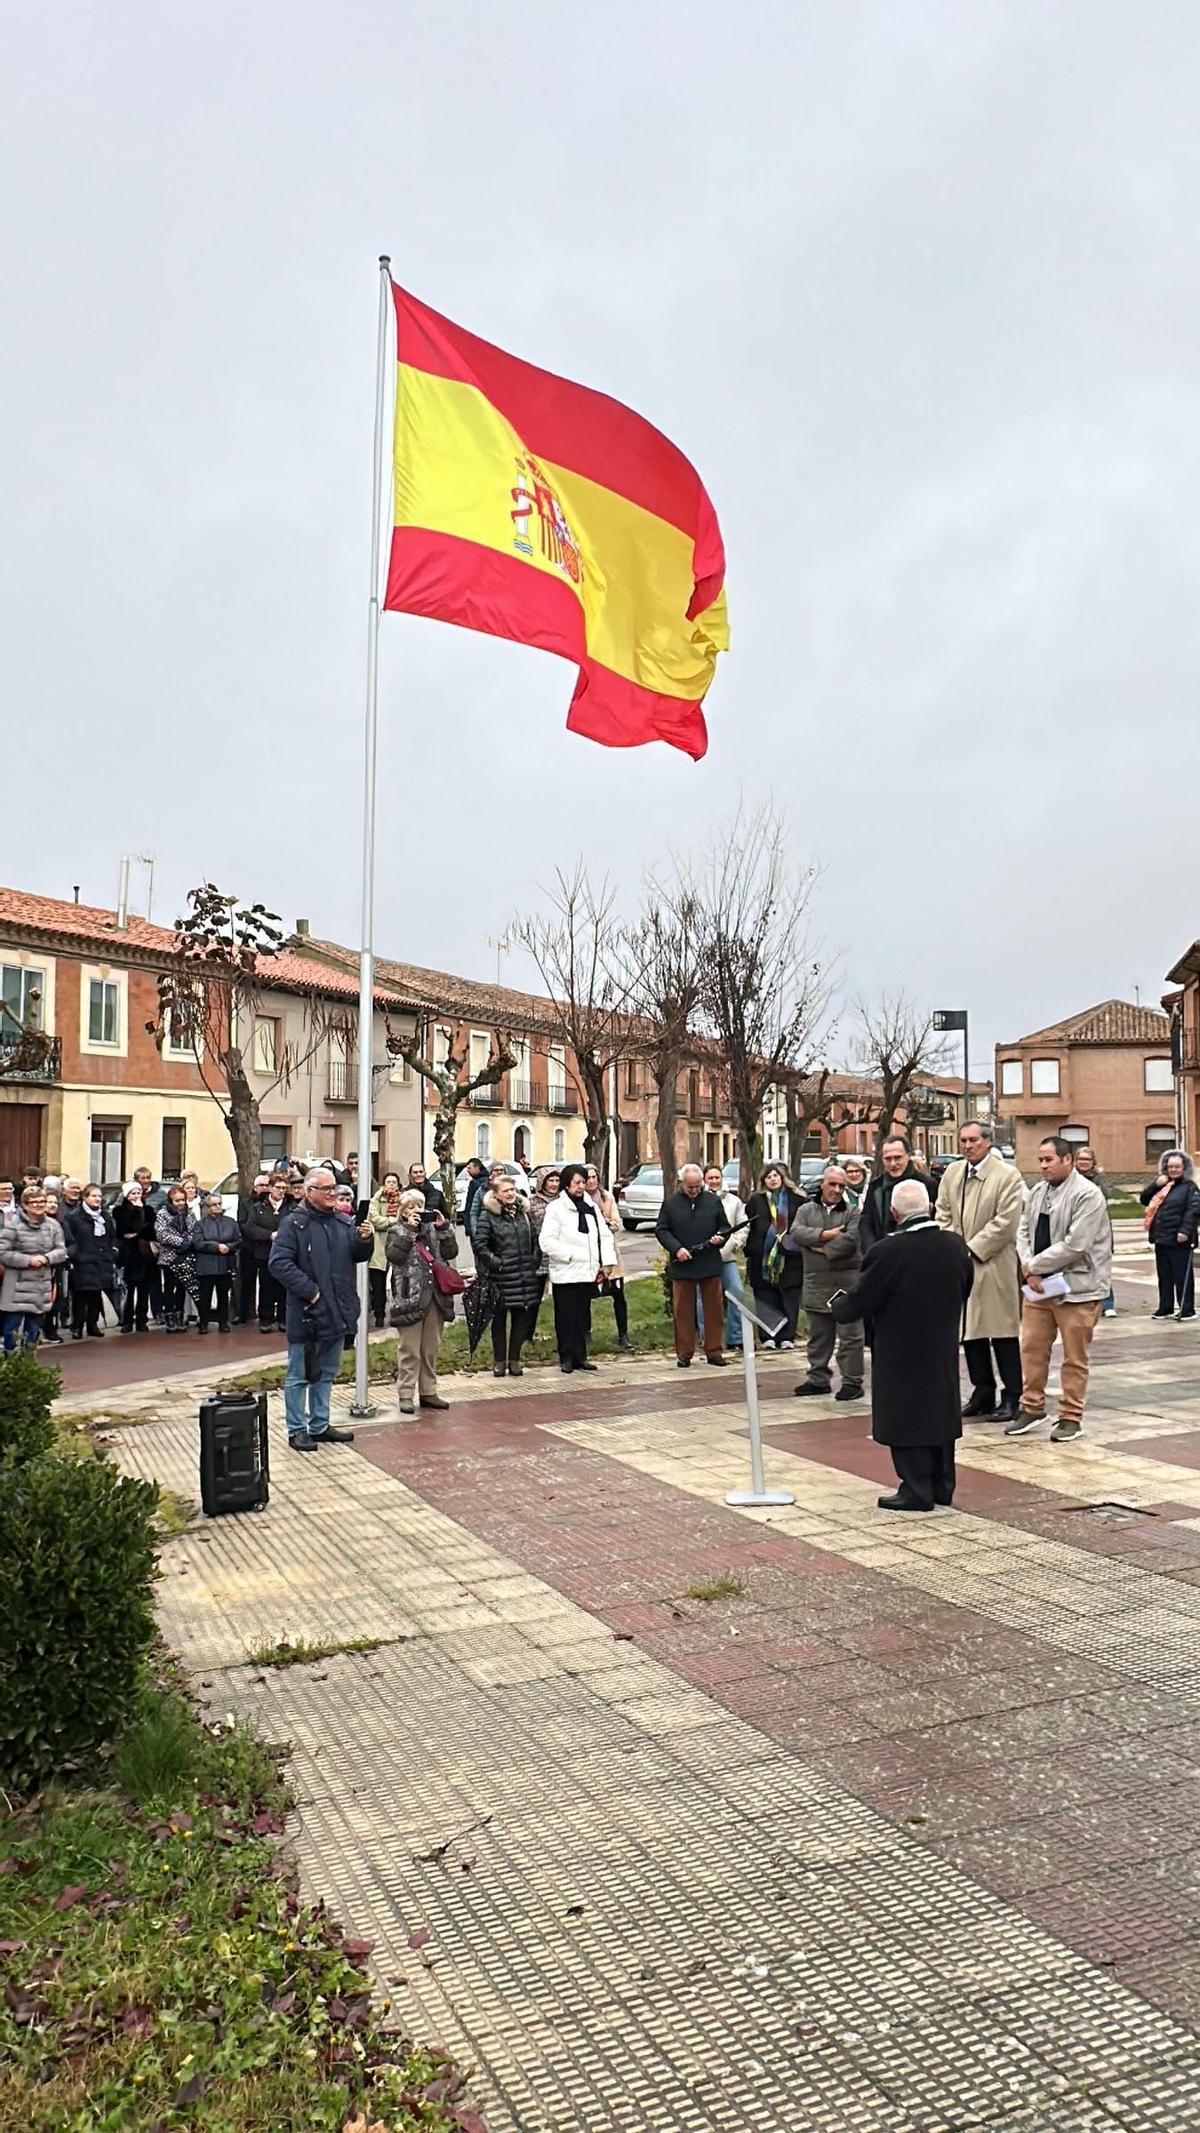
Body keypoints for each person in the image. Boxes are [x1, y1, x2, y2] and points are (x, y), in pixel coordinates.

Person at [831, 1178, 973, 1510]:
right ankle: (941, 1486)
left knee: (907, 1417)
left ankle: (916, 1489)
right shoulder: (955, 1245)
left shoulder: (887, 1251)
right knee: (939, 1412)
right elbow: (964, 1286)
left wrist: (838, 1307)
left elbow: (862, 1299)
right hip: (940, 1345)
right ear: (930, 1208)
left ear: (895, 1214)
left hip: (900, 1349)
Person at [1008, 1137, 1113, 1442]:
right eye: (1040, 1160)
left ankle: (1070, 1416)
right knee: (1031, 1349)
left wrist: (1034, 1266)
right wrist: (1028, 1267)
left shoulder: (1088, 1195)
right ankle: (1031, 1407)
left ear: (1067, 1160)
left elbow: (1075, 1245)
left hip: (1077, 1289)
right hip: (1039, 1287)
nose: (1043, 1166)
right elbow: (1023, 1231)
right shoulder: (1038, 1192)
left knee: (1074, 1357)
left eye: (1049, 1160)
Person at [269, 1166, 373, 1451]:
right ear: (308, 1191)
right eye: (326, 1189)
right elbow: (279, 1264)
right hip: (307, 1314)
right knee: (299, 1374)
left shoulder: (342, 1222)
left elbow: (358, 1255)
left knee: (327, 1372)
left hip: (338, 1311)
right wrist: (311, 1293)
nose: (332, 1194)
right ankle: (297, 1429)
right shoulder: (294, 1224)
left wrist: (364, 1239)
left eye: (334, 1189)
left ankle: (319, 1424)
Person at [935, 1121, 1025, 1422]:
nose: (967, 1146)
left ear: (987, 1142)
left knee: (1001, 1332)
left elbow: (1005, 1222)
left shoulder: (1007, 1176)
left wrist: (971, 1249)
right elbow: (943, 1211)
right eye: (963, 1140)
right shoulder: (953, 1173)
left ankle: (1013, 1394)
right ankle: (982, 1391)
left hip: (993, 1264)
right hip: (959, 1265)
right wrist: (951, 1245)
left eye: (973, 1140)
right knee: (970, 1332)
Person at [788, 1166, 864, 1400]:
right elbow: (796, 1233)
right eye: (832, 1184)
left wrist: (818, 1248)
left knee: (851, 1335)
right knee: (818, 1334)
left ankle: (852, 1382)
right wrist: (826, 1235)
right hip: (815, 1280)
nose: (837, 1190)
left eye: (842, 1186)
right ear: (822, 1184)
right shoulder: (805, 1210)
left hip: (846, 1282)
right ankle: (818, 1379)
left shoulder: (853, 1212)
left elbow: (851, 1241)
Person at [539, 1161, 616, 1373]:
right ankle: (566, 1357)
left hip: (587, 1271)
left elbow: (604, 1236)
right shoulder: (556, 1208)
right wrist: (570, 1255)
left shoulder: (591, 1206)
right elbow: (546, 1241)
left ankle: (581, 1356)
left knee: (583, 1317)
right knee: (565, 1317)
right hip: (566, 1271)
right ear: (566, 1185)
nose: (581, 1186)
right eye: (576, 1182)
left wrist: (607, 1263)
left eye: (583, 1182)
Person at [386, 1187, 458, 1414]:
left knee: (430, 1348)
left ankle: (429, 1391)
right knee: (409, 1350)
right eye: (410, 1207)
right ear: (402, 1211)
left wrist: (444, 1228)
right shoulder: (396, 1230)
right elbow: (395, 1256)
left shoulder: (433, 1230)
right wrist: (409, 1230)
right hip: (409, 1297)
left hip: (435, 1296)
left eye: (419, 1206)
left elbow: (451, 1252)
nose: (416, 1210)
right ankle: (406, 1394)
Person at [656, 1163, 730, 1369]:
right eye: (691, 1187)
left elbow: (725, 1227)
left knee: (714, 1310)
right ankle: (684, 1353)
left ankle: (714, 1351)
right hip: (683, 1264)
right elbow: (662, 1230)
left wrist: (720, 1238)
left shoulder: (713, 1201)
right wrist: (677, 1249)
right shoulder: (671, 1204)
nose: (695, 1190)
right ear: (682, 1184)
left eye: (698, 1186)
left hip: (709, 1262)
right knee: (683, 1311)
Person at [474, 1173, 541, 1376]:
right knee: (499, 1320)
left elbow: (535, 1239)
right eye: (506, 1191)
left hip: (524, 1275)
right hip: (500, 1276)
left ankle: (515, 1359)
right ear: (496, 1194)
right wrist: (496, 1263)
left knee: (521, 1318)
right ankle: (499, 1361)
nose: (511, 1194)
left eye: (513, 1190)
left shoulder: (524, 1214)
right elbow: (480, 1244)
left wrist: (533, 1260)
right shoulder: (488, 1216)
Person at [0, 1184, 68, 1352]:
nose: (39, 1205)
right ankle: (10, 1367)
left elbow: (61, 1251)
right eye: (34, 1202)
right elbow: (2, 1252)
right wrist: (28, 1260)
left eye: (42, 1201)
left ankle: (28, 1367)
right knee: (11, 1332)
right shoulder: (12, 1226)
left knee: (33, 1333)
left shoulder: (53, 1226)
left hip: (40, 1286)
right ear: (24, 1204)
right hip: (17, 1286)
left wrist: (46, 1258)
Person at [744, 1165, 804, 1348]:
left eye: (776, 1175)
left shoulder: (798, 1200)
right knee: (766, 1298)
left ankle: (787, 1336)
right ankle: (768, 1336)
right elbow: (749, 1226)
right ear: (763, 1181)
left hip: (790, 1257)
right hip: (762, 1258)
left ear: (783, 1177)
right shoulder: (756, 1200)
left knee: (789, 1298)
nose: (773, 1179)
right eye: (768, 1176)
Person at [1140, 1148, 1200, 1321]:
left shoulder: (1190, 1187)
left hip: (1179, 1238)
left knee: (1181, 1275)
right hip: (1162, 1237)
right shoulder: (1163, 1185)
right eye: (1170, 1167)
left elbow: (1194, 1210)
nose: (1173, 1170)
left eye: (1177, 1167)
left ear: (1184, 1168)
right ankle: (1165, 1307)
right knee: (1164, 1275)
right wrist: (1155, 1185)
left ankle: (1186, 1309)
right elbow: (1144, 1199)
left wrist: (1185, 1231)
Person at [858, 1137, 935, 1254]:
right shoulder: (876, 1187)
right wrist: (872, 1250)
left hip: (918, 1254)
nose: (893, 1164)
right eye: (888, 1159)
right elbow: (866, 1221)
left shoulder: (927, 1185)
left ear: (908, 1156)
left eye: (897, 1158)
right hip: (882, 1256)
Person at [62, 1182, 118, 1339]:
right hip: (82, 1261)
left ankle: (92, 1324)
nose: (97, 1199)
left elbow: (112, 1236)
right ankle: (77, 1326)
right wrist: (75, 1256)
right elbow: (69, 1238)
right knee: (81, 1296)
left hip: (102, 1261)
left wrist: (113, 1251)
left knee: (96, 1295)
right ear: (85, 1198)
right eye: (94, 1196)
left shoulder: (105, 1216)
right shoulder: (74, 1217)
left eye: (99, 1196)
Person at [585, 1163, 632, 1350]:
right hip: (589, 1255)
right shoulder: (579, 1200)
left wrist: (605, 1221)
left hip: (610, 1254)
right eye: (587, 1178)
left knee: (618, 1295)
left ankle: (623, 1335)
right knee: (586, 1297)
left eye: (594, 1177)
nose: (591, 1181)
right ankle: (586, 1334)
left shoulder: (607, 1198)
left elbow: (617, 1224)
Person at [704, 1162, 748, 1351]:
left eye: (717, 1177)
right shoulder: (700, 1200)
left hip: (727, 1257)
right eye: (710, 1178)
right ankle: (706, 1337)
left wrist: (734, 1244)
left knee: (736, 1293)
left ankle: (735, 1338)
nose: (714, 1181)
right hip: (705, 1259)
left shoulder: (733, 1201)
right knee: (703, 1299)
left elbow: (743, 1226)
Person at [243, 1173, 290, 1332]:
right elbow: (250, 1228)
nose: (281, 1191)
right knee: (266, 1287)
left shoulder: (291, 1208)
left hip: (286, 1254)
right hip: (265, 1253)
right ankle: (265, 1319)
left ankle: (283, 1319)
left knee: (284, 1287)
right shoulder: (258, 1208)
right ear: (270, 1188)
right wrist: (269, 1235)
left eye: (284, 1188)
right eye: (278, 1187)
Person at [1075, 1146, 1116, 1317]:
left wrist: (1100, 1177)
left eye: (1087, 1159)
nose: (1084, 1163)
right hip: (1077, 1228)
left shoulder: (1098, 1179)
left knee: (1101, 1267)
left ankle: (1107, 1304)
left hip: (1099, 1228)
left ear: (1093, 1162)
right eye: (1081, 1159)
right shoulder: (1070, 1178)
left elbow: (1106, 1195)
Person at [193, 1193, 241, 1333]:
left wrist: (229, 1247)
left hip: (225, 1264)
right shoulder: (200, 1224)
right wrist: (216, 1247)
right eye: (214, 1204)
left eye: (219, 1203)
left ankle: (223, 1322)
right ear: (208, 1207)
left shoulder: (230, 1222)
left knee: (223, 1296)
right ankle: (203, 1323)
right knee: (205, 1296)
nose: (218, 1207)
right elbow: (198, 1243)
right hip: (206, 1265)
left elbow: (238, 1240)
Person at [113, 1181, 156, 1332]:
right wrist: (136, 1213)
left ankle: (141, 1320)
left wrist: (137, 1232)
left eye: (138, 1193)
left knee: (144, 1290)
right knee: (129, 1291)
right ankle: (127, 1321)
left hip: (145, 1254)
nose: (136, 1196)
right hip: (129, 1255)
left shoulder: (149, 1210)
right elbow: (124, 1230)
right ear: (126, 1195)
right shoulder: (119, 1211)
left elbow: (150, 1231)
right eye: (133, 1193)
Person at [154, 1184, 197, 1333]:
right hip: (169, 1256)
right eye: (177, 1201)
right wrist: (179, 1242)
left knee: (181, 1288)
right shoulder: (163, 1214)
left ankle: (179, 1316)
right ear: (170, 1201)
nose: (180, 1203)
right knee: (169, 1288)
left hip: (185, 1256)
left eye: (182, 1200)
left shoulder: (189, 1214)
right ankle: (169, 1317)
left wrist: (188, 1242)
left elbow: (194, 1230)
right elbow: (162, 1235)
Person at [236, 1173, 272, 1323]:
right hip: (249, 1248)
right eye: (261, 1185)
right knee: (246, 1282)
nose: (264, 1188)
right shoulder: (245, 1203)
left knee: (267, 1283)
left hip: (267, 1248)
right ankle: (242, 1313)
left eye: (266, 1185)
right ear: (255, 1187)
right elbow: (243, 1224)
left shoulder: (271, 1203)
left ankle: (266, 1315)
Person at [368, 1173, 403, 1327]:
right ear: (383, 1184)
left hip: (397, 1245)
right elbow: (374, 1220)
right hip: (379, 1248)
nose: (391, 1185)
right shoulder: (375, 1200)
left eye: (394, 1182)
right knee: (378, 1284)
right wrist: (392, 1221)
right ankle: (379, 1314)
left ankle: (398, 1311)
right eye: (388, 1182)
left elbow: (404, 1219)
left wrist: (391, 1223)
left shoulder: (403, 1200)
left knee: (398, 1282)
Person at [461, 1156, 488, 1232]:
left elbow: (481, 1191)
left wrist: (472, 1182)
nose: (468, 1171)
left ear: (477, 1168)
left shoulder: (485, 1180)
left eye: (470, 1168)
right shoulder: (475, 1180)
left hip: (479, 1222)